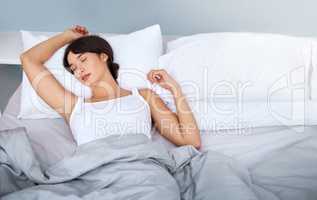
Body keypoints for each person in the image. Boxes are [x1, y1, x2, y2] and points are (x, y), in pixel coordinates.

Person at [20, 25, 201, 149]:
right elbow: (29, 59)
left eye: (83, 59)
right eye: (73, 68)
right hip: (92, 176)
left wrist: (174, 88)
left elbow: (191, 141)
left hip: (140, 174)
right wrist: (66, 37)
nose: (79, 70)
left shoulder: (144, 97)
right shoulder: (72, 106)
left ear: (103, 56)